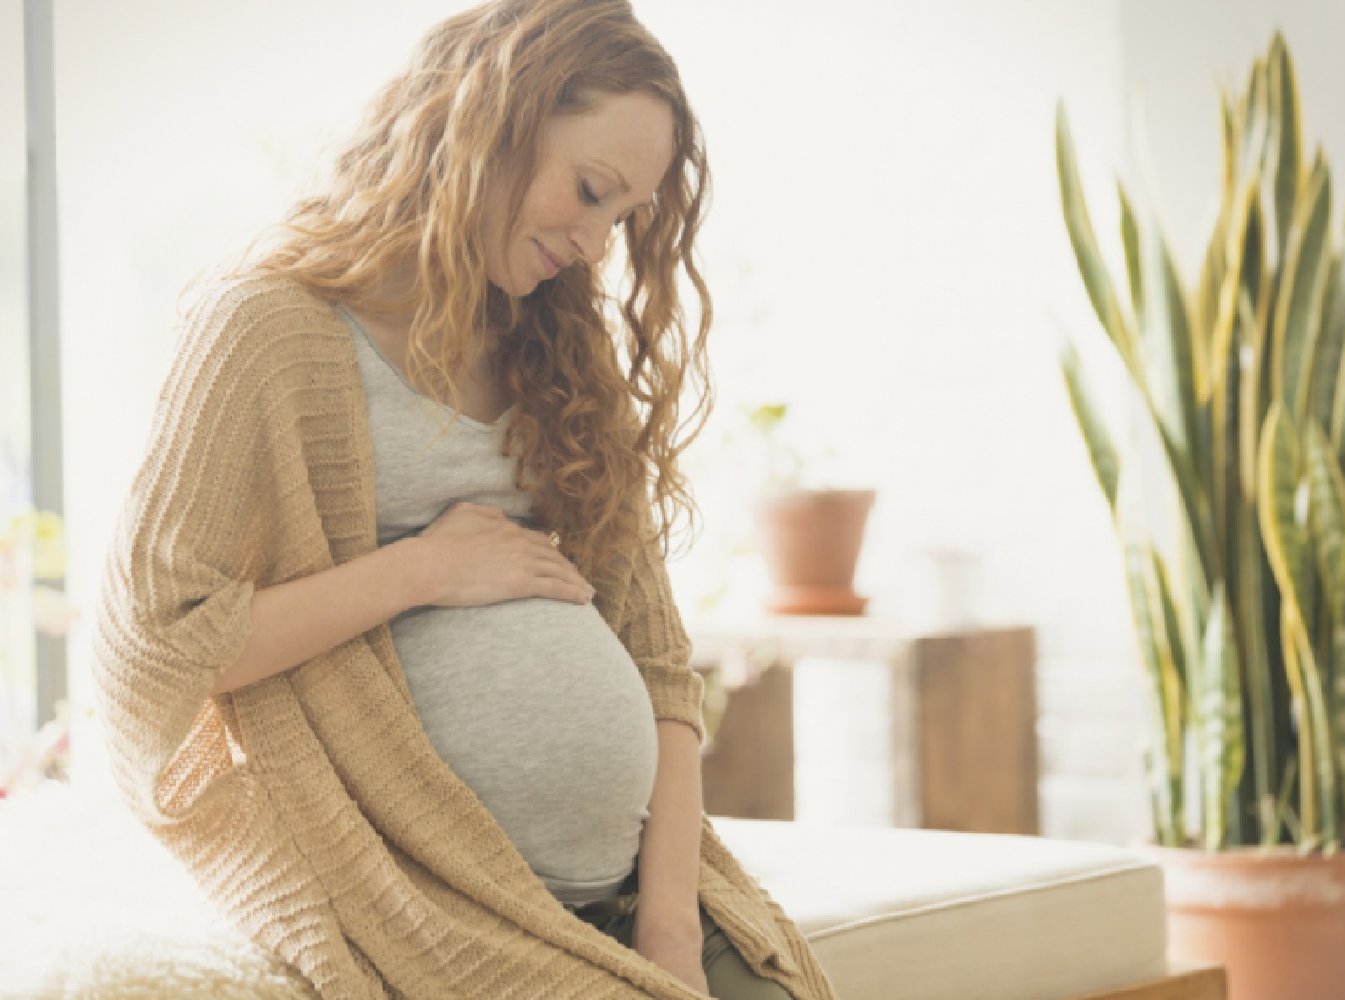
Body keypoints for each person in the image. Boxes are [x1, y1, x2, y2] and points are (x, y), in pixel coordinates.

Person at [89, 2, 839, 998]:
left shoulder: (560, 354)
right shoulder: (267, 332)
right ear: (492, 117)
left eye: (622, 217)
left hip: (633, 899)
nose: (594, 243)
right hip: (426, 901)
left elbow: (659, 667)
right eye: (588, 190)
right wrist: (423, 569)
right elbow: (157, 653)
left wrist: (668, 938)